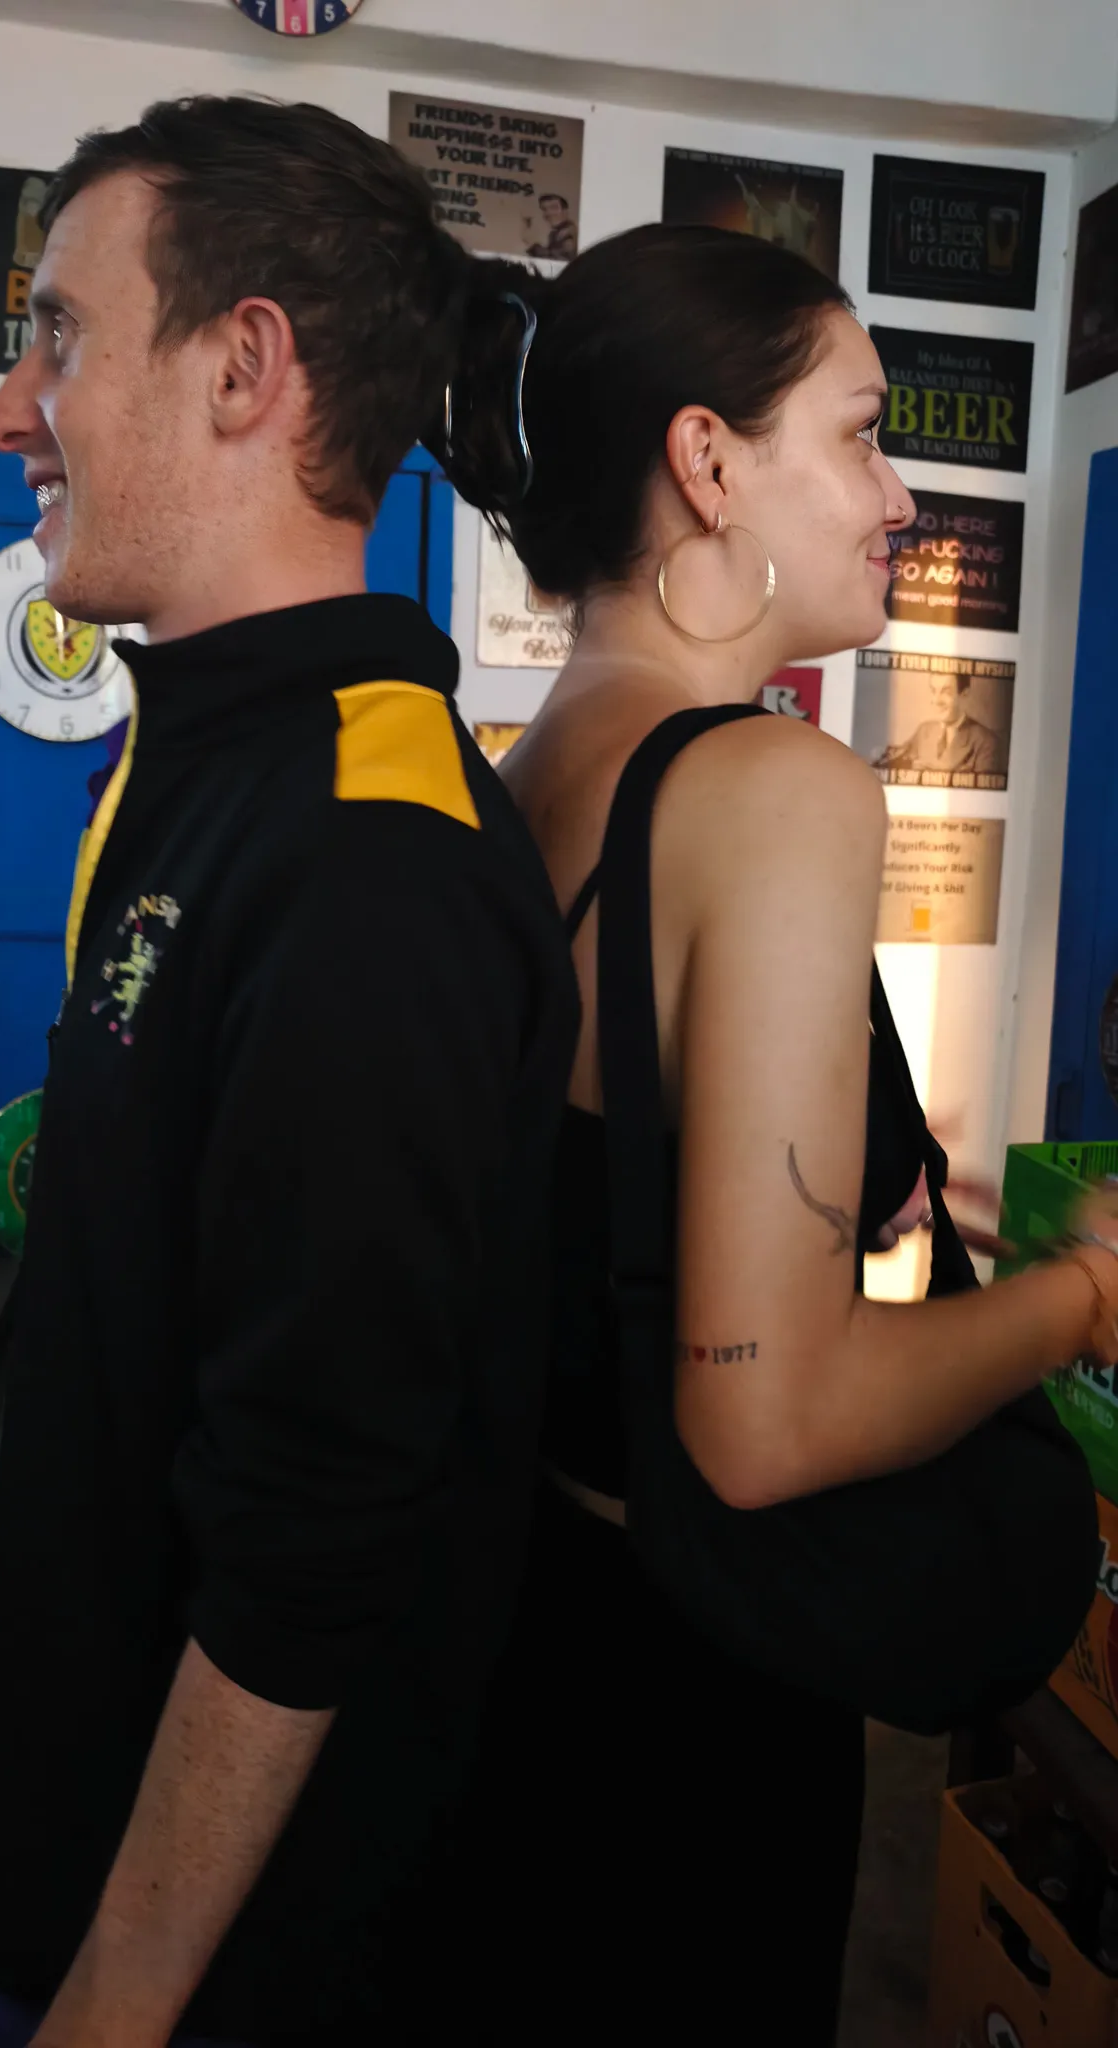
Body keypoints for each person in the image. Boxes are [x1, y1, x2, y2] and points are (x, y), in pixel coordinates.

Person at [427, 224, 1118, 2039]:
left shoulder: (524, 768)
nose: (899, 493)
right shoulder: (771, 788)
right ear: (708, 461)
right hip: (690, 1701)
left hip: (512, 1639)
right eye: (862, 432)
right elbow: (761, 1416)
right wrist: (1076, 1293)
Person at [0, 97, 578, 2047]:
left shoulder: (370, 845)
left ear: (242, 366)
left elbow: (318, 1525)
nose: (6, 404)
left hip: (215, 1962)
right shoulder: (195, 749)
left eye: (58, 329)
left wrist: (120, 2000)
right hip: (60, 1810)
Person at [877, 668, 1006, 776]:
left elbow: (982, 797)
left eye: (946, 692)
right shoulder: (924, 731)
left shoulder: (987, 742)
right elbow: (894, 761)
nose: (936, 700)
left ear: (964, 694)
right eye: (934, 691)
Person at [525, 192, 577, 261]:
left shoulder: (569, 231)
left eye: (554, 208)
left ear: (565, 211)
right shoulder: (554, 233)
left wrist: (534, 247)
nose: (548, 213)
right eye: (544, 209)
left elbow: (564, 260)